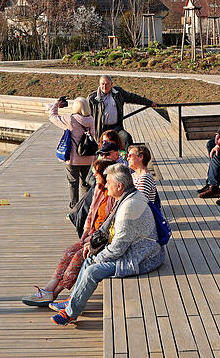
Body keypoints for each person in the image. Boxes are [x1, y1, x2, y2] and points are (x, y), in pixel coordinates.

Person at [50, 164, 164, 325]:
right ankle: (72, 301)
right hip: (134, 250)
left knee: (92, 270)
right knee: (88, 258)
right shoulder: (127, 196)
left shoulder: (129, 208)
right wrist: (93, 246)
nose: (105, 184)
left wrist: (97, 255)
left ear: (119, 186)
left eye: (109, 181)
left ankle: (71, 313)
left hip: (143, 258)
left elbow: (118, 249)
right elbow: (106, 228)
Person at [22, 159, 116, 307]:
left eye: (97, 175)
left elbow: (109, 222)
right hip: (92, 236)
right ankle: (48, 289)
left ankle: (54, 292)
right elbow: (91, 213)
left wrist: (92, 237)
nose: (95, 178)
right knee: (69, 252)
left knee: (78, 256)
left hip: (102, 241)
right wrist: (86, 231)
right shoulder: (98, 189)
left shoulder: (112, 195)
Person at [48, 96, 96, 209]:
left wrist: (56, 104)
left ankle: (74, 207)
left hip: (73, 158)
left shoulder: (70, 119)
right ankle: (85, 208)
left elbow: (52, 117)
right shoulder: (91, 120)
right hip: (88, 157)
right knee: (85, 184)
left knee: (73, 184)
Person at [87, 75, 157, 148]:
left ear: (111, 84)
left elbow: (133, 97)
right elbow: (87, 115)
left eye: (107, 84)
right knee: (103, 147)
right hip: (100, 128)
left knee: (126, 138)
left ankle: (127, 157)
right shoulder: (92, 98)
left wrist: (149, 103)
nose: (104, 86)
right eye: (102, 84)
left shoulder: (118, 93)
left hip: (116, 127)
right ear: (99, 84)